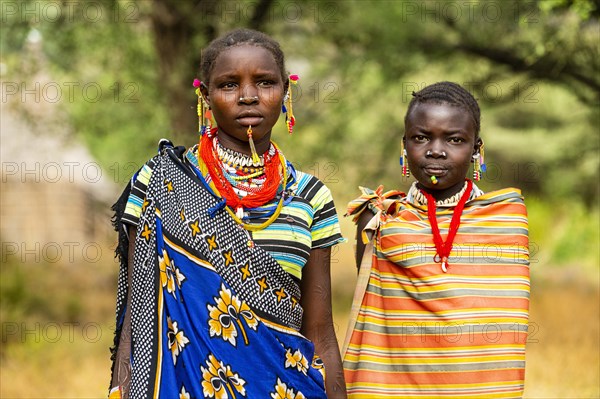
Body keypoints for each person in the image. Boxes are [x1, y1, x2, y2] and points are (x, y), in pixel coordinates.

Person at [109, 29, 347, 399]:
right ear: (204, 95)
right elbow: (139, 317)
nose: (249, 96)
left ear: (286, 91)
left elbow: (321, 333)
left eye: (265, 83)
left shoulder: (309, 195)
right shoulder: (159, 182)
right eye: (228, 85)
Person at [342, 82, 530, 398]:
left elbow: (506, 324)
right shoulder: (380, 218)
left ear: (476, 149)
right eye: (421, 137)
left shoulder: (505, 220)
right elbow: (373, 307)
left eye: (455, 139)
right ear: (404, 145)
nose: (436, 150)